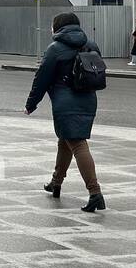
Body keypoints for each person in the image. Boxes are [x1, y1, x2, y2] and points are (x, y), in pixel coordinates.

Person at [25, 11, 106, 212]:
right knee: (65, 141)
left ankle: (95, 193)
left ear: (57, 28)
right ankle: (56, 182)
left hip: (65, 104)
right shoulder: (91, 45)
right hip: (88, 100)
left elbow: (41, 78)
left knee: (77, 144)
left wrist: (31, 104)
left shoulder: (55, 49)